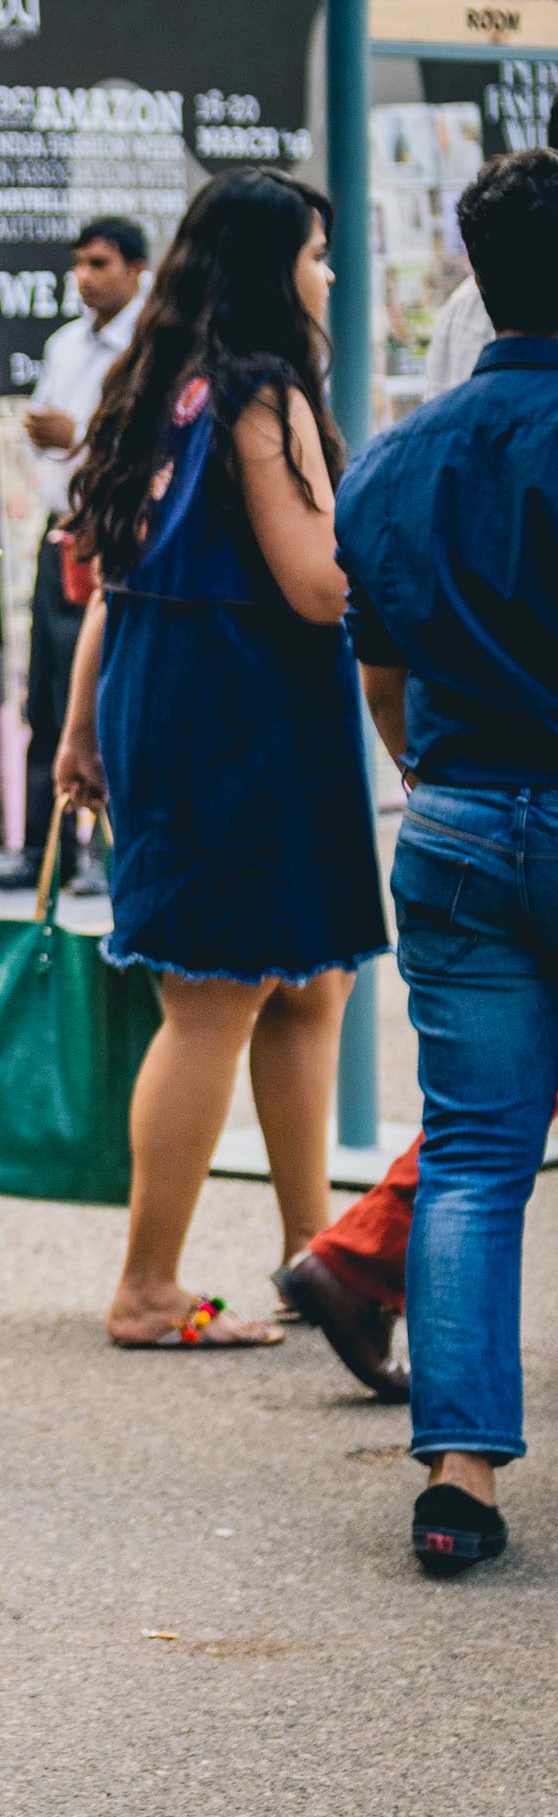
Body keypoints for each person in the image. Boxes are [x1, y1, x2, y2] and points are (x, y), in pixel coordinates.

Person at [54, 167, 389, 1351]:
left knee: (307, 981)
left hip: (170, 692)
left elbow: (105, 576)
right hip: (242, 709)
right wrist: (416, 556)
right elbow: (313, 584)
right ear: (269, 268)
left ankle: (319, 1257)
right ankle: (147, 1288)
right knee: (214, 998)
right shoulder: (262, 392)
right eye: (314, 252)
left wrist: (80, 726)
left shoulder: (157, 384)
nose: (327, 273)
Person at [334, 147, 558, 1576]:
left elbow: (383, 679)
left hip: (461, 809)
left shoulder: (396, 458)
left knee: (475, 1154)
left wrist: (442, 782)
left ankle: (459, 1477)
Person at [0, 216, 147, 893]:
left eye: (100, 263)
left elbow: (148, 445)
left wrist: (77, 435)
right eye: (78, 263)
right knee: (47, 695)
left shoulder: (150, 344)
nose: (85, 276)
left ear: (138, 270)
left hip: (118, 532)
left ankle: (110, 851)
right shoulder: (64, 345)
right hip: (64, 531)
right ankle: (44, 852)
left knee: (107, 691)